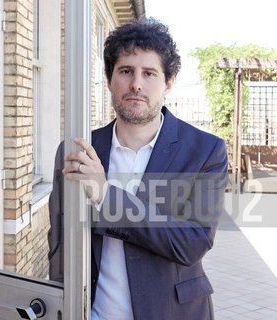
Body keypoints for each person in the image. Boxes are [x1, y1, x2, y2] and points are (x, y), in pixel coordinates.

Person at [48, 18, 228, 320]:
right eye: (126, 71)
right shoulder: (78, 151)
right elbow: (60, 244)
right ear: (109, 80)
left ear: (168, 83)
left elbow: (192, 242)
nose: (136, 84)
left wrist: (106, 197)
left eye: (149, 73)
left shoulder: (206, 151)